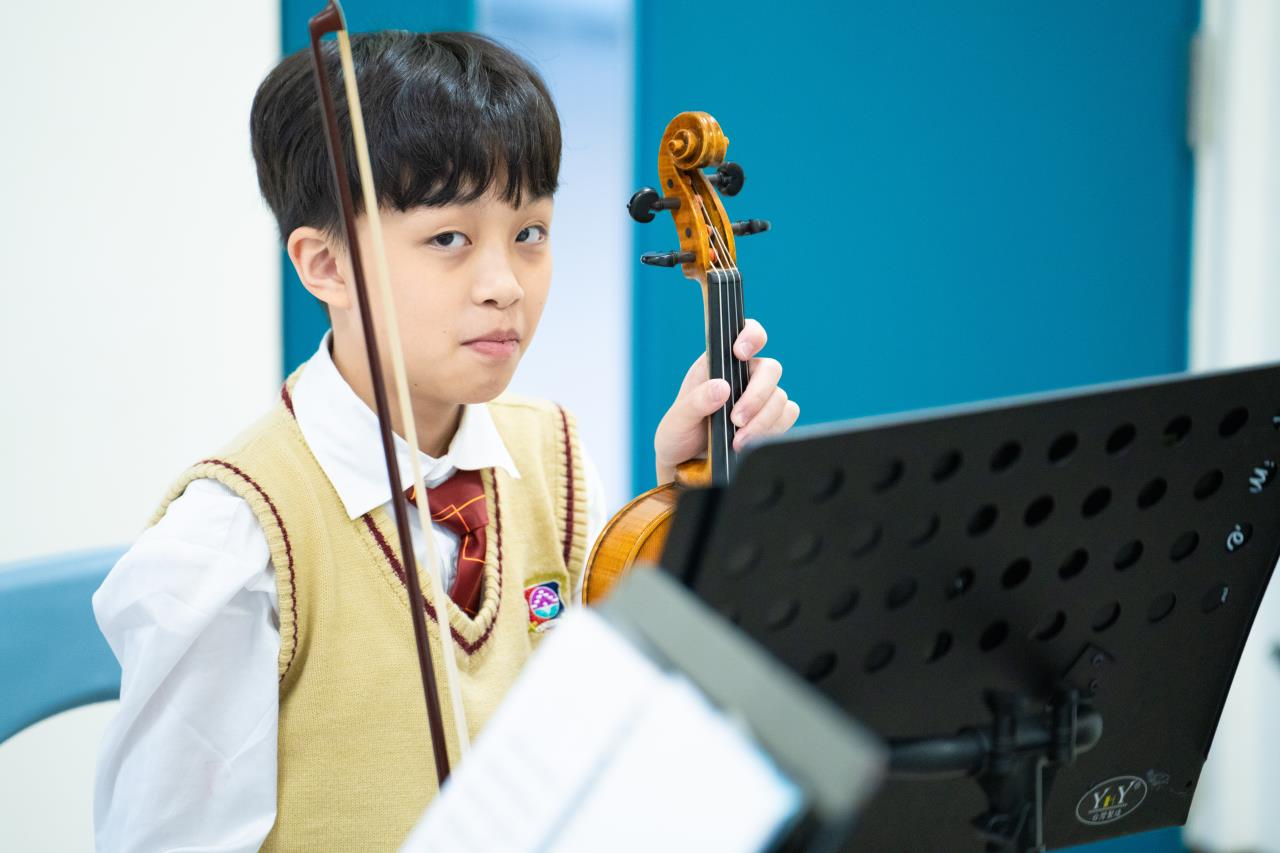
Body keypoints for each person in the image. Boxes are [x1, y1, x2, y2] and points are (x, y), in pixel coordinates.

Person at [92, 30, 798, 851]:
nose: (505, 286)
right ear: (326, 266)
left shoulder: (555, 460)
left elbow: (615, 761)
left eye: (530, 232)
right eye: (449, 239)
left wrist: (689, 507)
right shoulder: (229, 545)